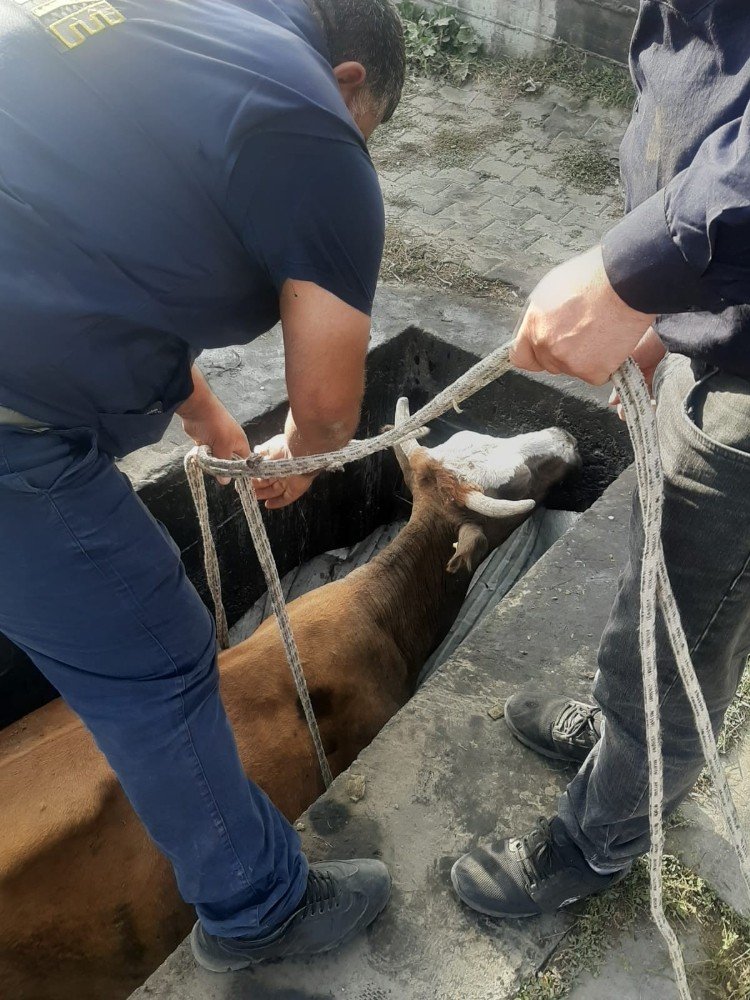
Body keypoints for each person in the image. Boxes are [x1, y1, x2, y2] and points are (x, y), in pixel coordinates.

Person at [0, 0, 405, 971]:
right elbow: (330, 408)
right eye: (373, 131)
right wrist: (297, 450)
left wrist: (211, 420)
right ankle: (257, 907)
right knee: (158, 649)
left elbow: (93, 242)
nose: (361, 149)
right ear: (352, 83)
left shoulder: (176, 29)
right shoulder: (315, 125)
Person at [452, 0, 750, 918]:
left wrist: (635, 267)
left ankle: (603, 835)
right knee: (656, 579)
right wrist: (670, 306)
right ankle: (621, 731)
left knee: (684, 638)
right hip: (720, 309)